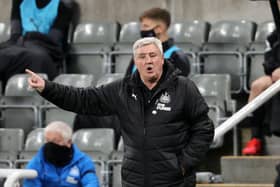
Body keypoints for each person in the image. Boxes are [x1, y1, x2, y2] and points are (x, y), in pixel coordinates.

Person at [26, 37, 214, 187]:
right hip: (134, 181)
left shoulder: (183, 87)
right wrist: (47, 88)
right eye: (142, 57)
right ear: (136, 62)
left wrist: (185, 163)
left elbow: (204, 128)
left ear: (162, 58)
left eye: (152, 55)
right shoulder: (122, 90)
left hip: (175, 181)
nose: (148, 61)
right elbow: (82, 99)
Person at [0, 0, 73, 87]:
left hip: (45, 50)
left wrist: (31, 36)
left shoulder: (63, 5)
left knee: (34, 58)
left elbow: (53, 40)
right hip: (20, 46)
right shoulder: (20, 2)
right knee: (7, 54)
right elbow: (15, 36)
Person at [23, 121, 99, 187]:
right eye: (47, 141)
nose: (50, 145)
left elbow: (91, 183)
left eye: (55, 141)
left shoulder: (83, 161)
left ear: (68, 142)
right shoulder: (37, 162)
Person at [242, 27, 280, 155]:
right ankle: (255, 138)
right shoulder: (273, 36)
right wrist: (274, 69)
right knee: (257, 86)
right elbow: (269, 60)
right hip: (276, 74)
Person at [125, 7, 190, 77]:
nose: (142, 30)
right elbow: (127, 81)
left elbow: (179, 85)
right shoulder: (139, 53)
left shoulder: (177, 57)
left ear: (159, 29)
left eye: (145, 26)